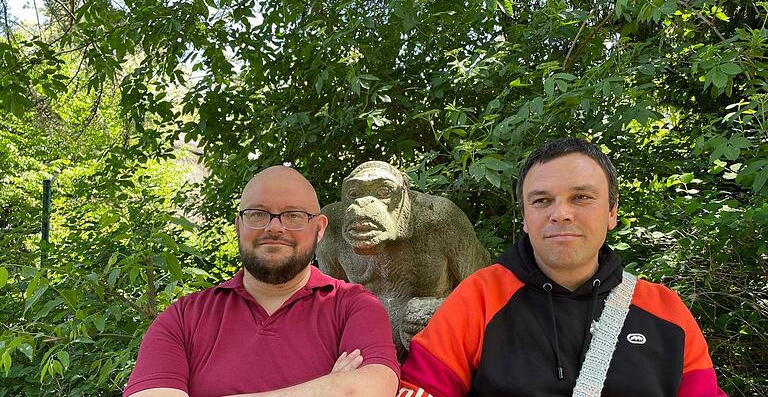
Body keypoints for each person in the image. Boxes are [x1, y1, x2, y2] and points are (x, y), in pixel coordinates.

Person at [399, 138, 725, 397]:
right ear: (525, 218)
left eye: (581, 197)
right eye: (541, 201)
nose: (561, 214)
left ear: (612, 212)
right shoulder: (480, 298)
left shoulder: (666, 311)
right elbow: (421, 389)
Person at [123, 166, 400, 397]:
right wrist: (329, 387)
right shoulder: (184, 318)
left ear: (319, 229)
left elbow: (370, 388)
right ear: (238, 225)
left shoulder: (354, 306)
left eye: (294, 215)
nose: (274, 227)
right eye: (257, 214)